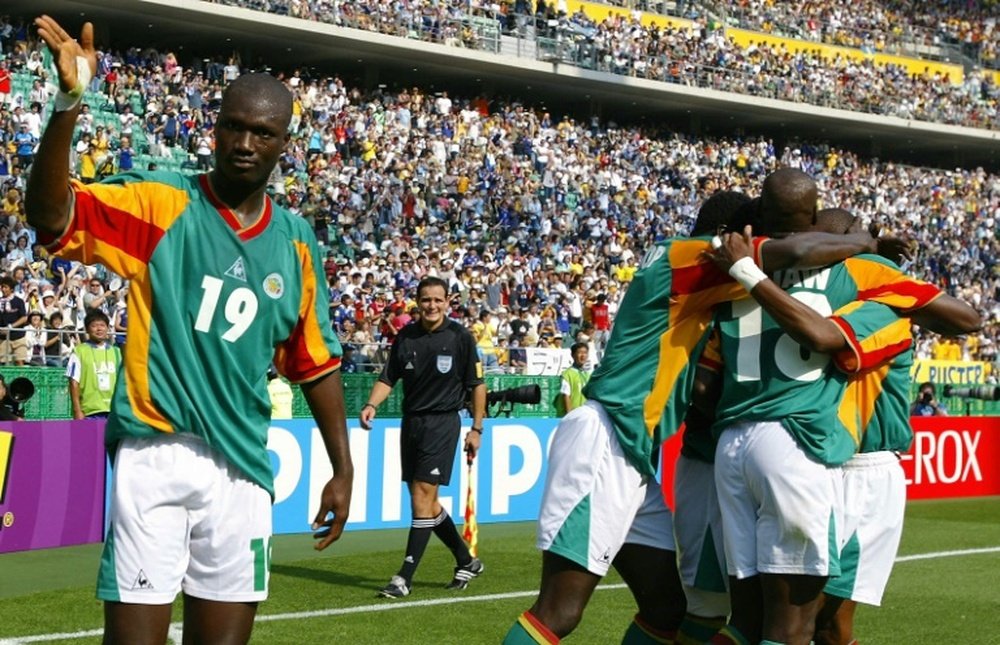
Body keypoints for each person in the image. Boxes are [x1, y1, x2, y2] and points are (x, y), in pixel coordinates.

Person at [26, 16, 353, 645]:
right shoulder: (163, 204)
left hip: (245, 471)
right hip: (157, 451)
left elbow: (314, 362)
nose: (245, 143)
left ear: (284, 144)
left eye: (263, 133)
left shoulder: (297, 245)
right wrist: (69, 104)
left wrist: (343, 467)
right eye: (234, 126)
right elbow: (52, 216)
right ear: (215, 126)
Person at [503, 190, 909, 645]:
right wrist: (863, 243)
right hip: (606, 438)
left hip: (633, 452)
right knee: (560, 610)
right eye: (754, 235)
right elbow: (794, 252)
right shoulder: (693, 256)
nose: (758, 244)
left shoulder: (695, 273)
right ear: (728, 235)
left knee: (667, 609)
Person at [705, 171, 977, 645]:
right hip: (823, 454)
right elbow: (961, 319)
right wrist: (872, 256)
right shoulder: (871, 282)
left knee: (755, 620)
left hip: (746, 442)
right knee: (807, 623)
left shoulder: (741, 265)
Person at [360, 276, 487, 599]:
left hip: (443, 423)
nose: (431, 305)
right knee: (426, 502)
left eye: (437, 300)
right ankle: (465, 560)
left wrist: (476, 429)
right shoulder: (406, 336)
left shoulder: (460, 337)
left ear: (447, 302)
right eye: (426, 300)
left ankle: (404, 577)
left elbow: (477, 386)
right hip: (412, 424)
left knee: (421, 497)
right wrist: (371, 404)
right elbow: (388, 377)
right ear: (418, 302)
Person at [66, 310, 120, 419]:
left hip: (114, 411)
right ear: (87, 329)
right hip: (90, 412)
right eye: (94, 326)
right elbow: (73, 382)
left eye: (102, 325)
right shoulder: (79, 351)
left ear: (108, 328)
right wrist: (77, 410)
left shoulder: (116, 352)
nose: (99, 329)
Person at [556, 341, 590, 417]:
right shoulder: (567, 374)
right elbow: (566, 395)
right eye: (580, 352)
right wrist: (570, 415)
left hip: (585, 415)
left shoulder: (587, 374)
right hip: (573, 416)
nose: (583, 355)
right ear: (573, 355)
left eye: (585, 353)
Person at [0, 275, 27, 365]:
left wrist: (10, 327)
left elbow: (24, 318)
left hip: (18, 336)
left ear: (11, 289)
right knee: (2, 362)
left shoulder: (19, 301)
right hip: (3, 338)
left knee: (20, 361)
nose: (3, 289)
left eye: (6, 287)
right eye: (2, 287)